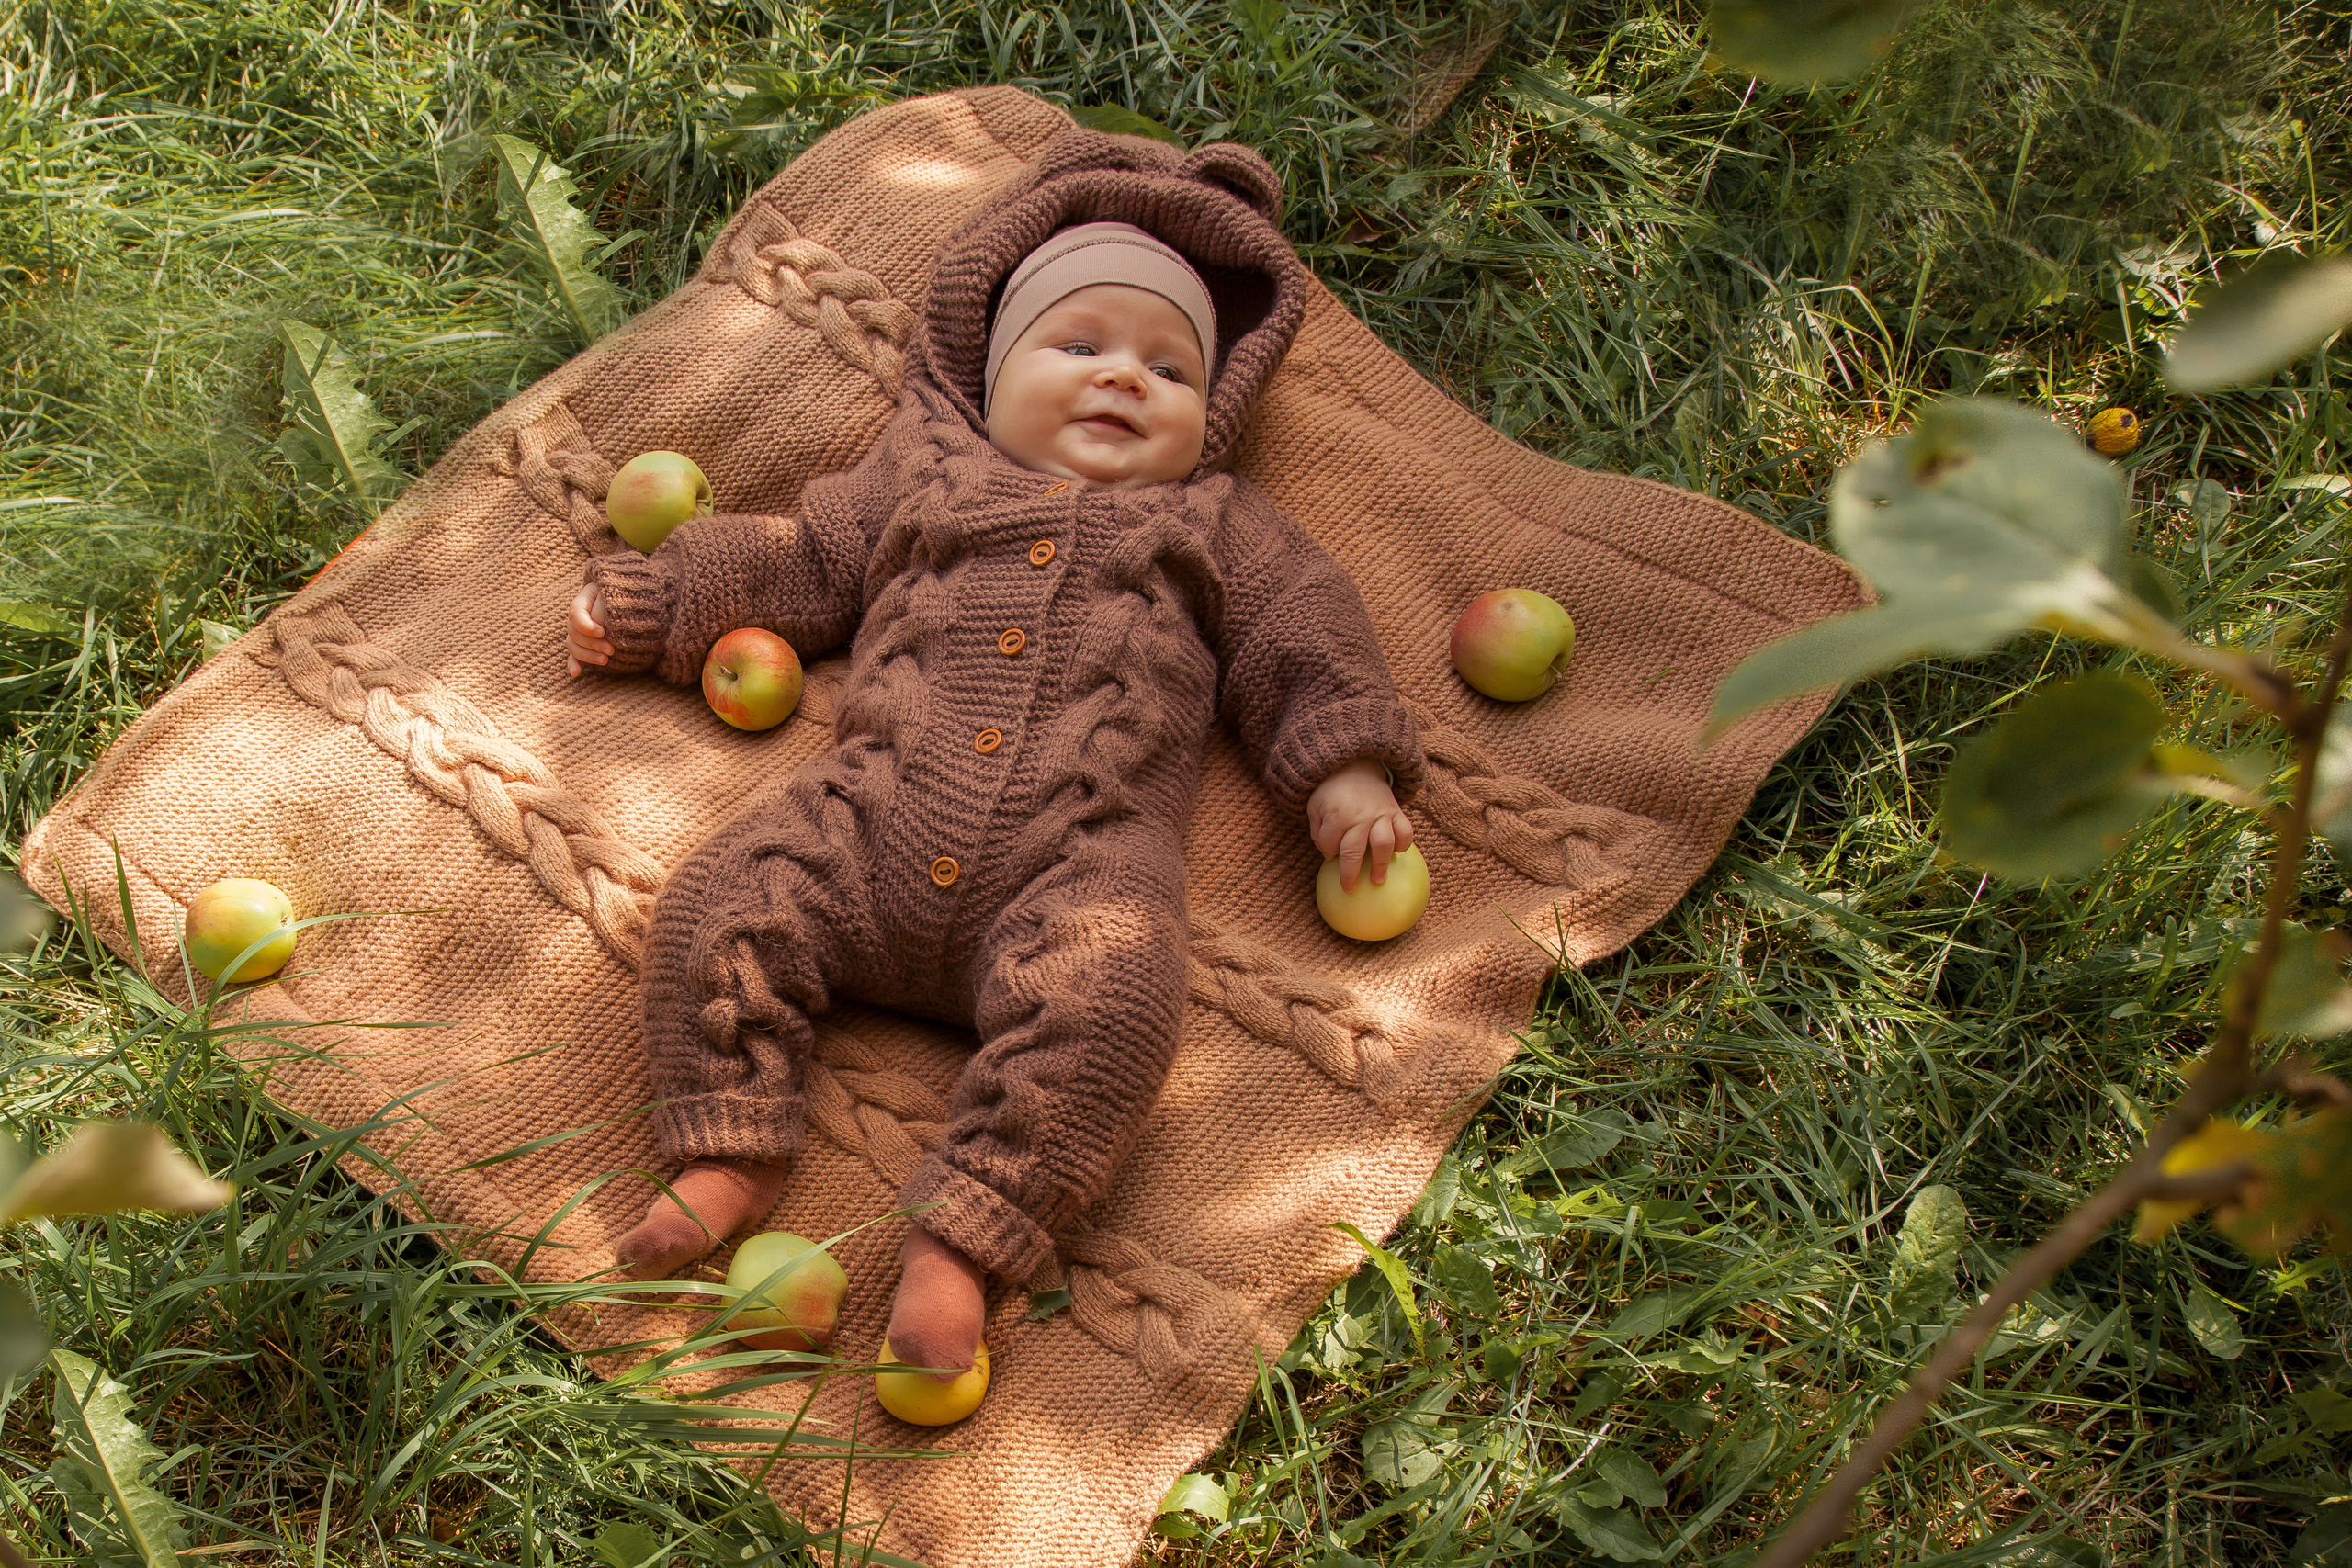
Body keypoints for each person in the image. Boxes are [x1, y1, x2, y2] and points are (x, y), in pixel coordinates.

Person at [562, 130, 1425, 1387]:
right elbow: (797, 558)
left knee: (1117, 1015)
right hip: (867, 820)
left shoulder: (1221, 524)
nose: (1124, 378)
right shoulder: (920, 475)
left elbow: (1307, 632)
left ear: (1216, 404)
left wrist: (1343, 765)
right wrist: (655, 603)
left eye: (1169, 365)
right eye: (1080, 346)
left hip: (1077, 871)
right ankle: (731, 1142)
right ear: (989, 366)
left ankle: (966, 1239)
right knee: (724, 900)